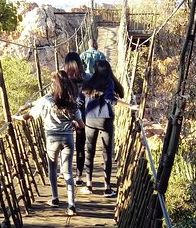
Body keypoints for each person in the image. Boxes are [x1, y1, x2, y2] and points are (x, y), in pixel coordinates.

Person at [13, 70, 84, 216]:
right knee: (68, 172)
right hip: (68, 139)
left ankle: (55, 198)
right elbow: (81, 125)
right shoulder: (72, 101)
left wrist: (15, 117)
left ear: (53, 84)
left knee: (52, 169)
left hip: (51, 138)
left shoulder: (46, 101)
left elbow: (28, 116)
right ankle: (71, 205)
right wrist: (74, 124)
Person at [81, 59, 138, 197]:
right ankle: (107, 188)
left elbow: (80, 101)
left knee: (89, 151)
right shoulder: (109, 82)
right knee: (107, 153)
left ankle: (89, 184)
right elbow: (111, 100)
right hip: (105, 120)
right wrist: (130, 106)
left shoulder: (88, 82)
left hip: (89, 119)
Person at [62, 51, 90, 187]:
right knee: (80, 146)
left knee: (64, 146)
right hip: (82, 117)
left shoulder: (62, 78)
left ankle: (65, 173)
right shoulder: (87, 77)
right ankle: (79, 176)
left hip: (65, 116)